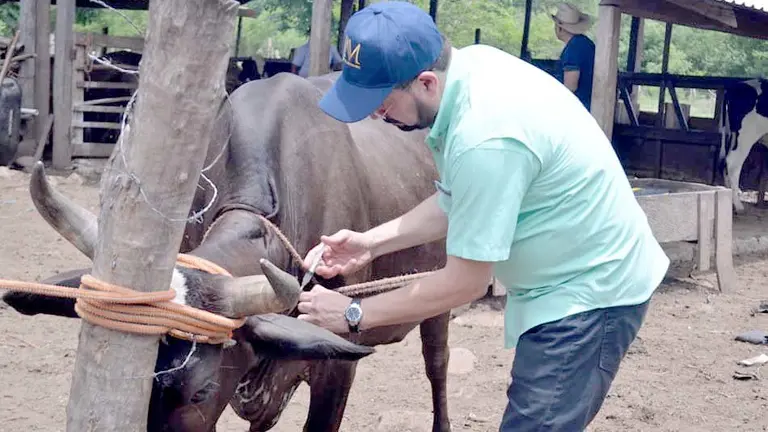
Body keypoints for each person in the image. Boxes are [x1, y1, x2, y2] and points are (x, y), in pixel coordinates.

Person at [295, 2, 670, 430]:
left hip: (590, 294)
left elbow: (466, 282)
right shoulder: (472, 68)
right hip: (562, 281)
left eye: (381, 102)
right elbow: (458, 201)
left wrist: (352, 314)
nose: (375, 115)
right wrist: (370, 243)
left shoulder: (484, 137)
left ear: (426, 83)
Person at [552, 3, 596, 110]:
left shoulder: (573, 49)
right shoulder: (585, 43)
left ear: (560, 28)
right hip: (590, 105)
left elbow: (570, 87)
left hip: (578, 108)